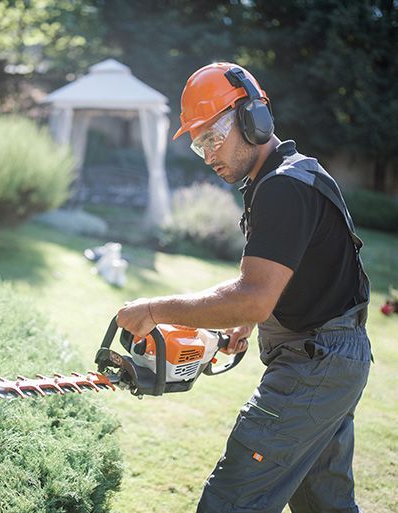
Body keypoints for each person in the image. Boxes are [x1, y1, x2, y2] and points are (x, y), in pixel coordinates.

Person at [116, 62, 372, 513]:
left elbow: (251, 297)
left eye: (213, 137)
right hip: (330, 359)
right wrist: (255, 321)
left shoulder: (283, 188)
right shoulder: (284, 178)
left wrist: (156, 310)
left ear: (254, 120)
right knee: (323, 505)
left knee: (231, 500)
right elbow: (292, 277)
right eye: (199, 145)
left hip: (314, 364)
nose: (209, 154)